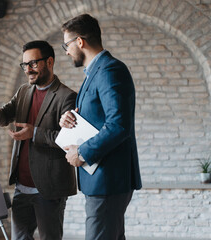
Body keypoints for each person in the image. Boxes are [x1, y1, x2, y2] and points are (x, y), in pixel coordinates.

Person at [0, 40, 77, 240]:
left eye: (33, 64)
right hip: (22, 187)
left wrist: (34, 133)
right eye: (24, 65)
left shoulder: (67, 96)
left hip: (49, 188)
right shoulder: (24, 91)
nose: (28, 70)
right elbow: (6, 116)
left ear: (49, 62)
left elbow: (68, 142)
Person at [59, 14, 142, 240]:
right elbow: (97, 116)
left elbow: (118, 125)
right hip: (100, 179)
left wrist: (83, 152)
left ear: (80, 41)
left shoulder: (109, 70)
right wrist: (70, 118)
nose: (66, 51)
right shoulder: (94, 73)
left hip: (108, 179)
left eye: (66, 45)